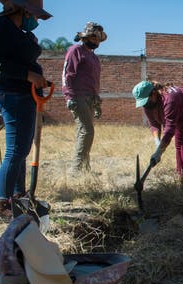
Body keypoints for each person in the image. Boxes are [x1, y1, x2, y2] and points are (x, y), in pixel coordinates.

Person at [0, 0, 52, 220]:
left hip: (25, 94)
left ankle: (19, 198)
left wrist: (38, 78)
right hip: (13, 95)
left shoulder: (19, 32)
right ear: (23, 9)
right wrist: (27, 75)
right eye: (34, 15)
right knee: (14, 151)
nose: (35, 20)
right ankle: (2, 205)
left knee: (22, 149)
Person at [132, 80, 183, 182]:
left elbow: (169, 129)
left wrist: (159, 151)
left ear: (154, 93)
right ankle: (180, 175)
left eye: (146, 101)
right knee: (178, 146)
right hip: (181, 116)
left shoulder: (169, 99)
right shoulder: (148, 105)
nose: (145, 105)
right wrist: (157, 143)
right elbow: (154, 124)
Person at [62, 22, 107, 172]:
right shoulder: (75, 50)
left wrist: (97, 101)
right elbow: (67, 74)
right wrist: (69, 97)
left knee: (84, 132)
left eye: (98, 39)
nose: (95, 41)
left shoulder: (94, 57)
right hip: (78, 96)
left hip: (91, 98)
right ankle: (76, 170)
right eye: (93, 37)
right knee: (87, 131)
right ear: (85, 36)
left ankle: (85, 168)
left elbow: (94, 80)